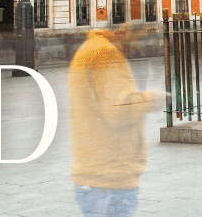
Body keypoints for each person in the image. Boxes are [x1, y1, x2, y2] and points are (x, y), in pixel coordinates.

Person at [68, 26, 161, 216]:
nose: (138, 47)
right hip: (110, 177)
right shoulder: (106, 53)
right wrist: (153, 99)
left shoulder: (90, 48)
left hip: (93, 172)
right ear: (122, 33)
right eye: (138, 39)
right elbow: (118, 111)